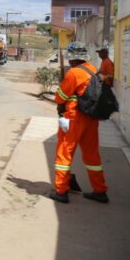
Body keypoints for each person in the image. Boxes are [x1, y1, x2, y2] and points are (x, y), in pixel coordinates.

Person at [49, 42, 109, 204]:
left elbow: (60, 97)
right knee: (92, 155)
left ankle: (61, 191)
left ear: (72, 58)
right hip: (92, 117)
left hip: (74, 118)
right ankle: (100, 190)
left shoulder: (74, 73)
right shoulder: (93, 70)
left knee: (64, 152)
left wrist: (61, 103)